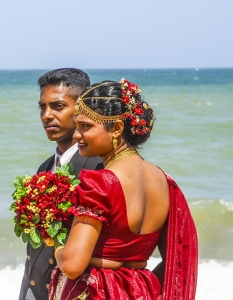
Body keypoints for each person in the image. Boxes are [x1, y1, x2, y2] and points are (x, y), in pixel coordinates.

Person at [49, 79, 198, 300]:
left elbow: (72, 265)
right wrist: (140, 286)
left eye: (86, 126)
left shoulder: (100, 183)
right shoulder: (165, 181)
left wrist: (58, 249)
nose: (76, 135)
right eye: (77, 125)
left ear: (117, 128)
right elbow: (175, 260)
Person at [19, 69, 103, 300]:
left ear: (82, 108)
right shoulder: (45, 167)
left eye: (57, 106)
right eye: (41, 107)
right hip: (33, 290)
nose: (46, 115)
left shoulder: (97, 168)